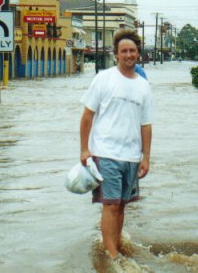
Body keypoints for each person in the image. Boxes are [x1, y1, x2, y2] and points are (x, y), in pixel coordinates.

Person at [79, 29, 152, 262]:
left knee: (121, 206)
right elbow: (87, 116)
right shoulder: (103, 79)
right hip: (105, 154)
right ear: (116, 54)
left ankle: (115, 246)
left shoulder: (143, 85)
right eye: (124, 51)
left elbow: (146, 125)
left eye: (132, 50)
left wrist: (146, 157)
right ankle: (113, 258)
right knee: (110, 205)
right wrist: (84, 149)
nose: (128, 55)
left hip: (131, 156)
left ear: (138, 54)